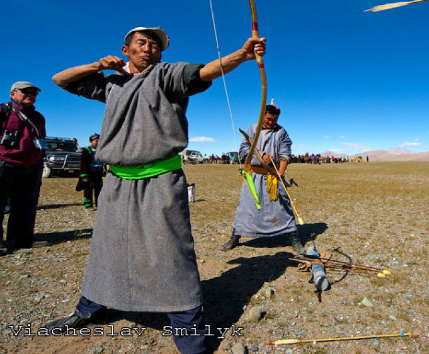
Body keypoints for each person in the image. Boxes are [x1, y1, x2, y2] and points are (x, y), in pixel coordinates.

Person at [45, 26, 266, 354]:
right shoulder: (113, 84)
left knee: (171, 253)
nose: (148, 49)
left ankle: (189, 333)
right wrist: (97, 66)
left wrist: (242, 56)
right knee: (109, 247)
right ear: (125, 49)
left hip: (161, 180)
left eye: (154, 45)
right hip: (117, 181)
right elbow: (60, 80)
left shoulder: (167, 75)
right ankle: (90, 308)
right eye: (141, 43)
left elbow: (204, 71)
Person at [220, 103, 304, 254]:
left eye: (274, 119)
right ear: (262, 115)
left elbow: (285, 153)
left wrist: (281, 172)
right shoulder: (253, 128)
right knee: (246, 207)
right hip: (254, 177)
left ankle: (294, 238)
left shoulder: (281, 132)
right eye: (268, 119)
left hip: (273, 176)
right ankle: (235, 236)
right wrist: (260, 158)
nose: (271, 122)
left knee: (283, 207)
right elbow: (244, 150)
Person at [0, 81, 48, 255]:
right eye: (25, 91)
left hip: (32, 166)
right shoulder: (3, 111)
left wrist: (41, 160)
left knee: (27, 205)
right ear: (13, 93)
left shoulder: (39, 117)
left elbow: (41, 139)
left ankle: (23, 239)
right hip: (5, 163)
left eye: (34, 93)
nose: (30, 95)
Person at [76, 133, 104, 209]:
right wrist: (84, 175)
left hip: (98, 173)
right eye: (96, 141)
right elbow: (83, 164)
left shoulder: (101, 150)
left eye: (99, 141)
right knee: (88, 189)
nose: (98, 142)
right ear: (91, 141)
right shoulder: (86, 151)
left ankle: (99, 204)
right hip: (89, 173)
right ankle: (88, 203)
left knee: (99, 189)